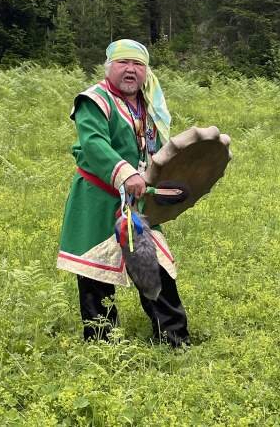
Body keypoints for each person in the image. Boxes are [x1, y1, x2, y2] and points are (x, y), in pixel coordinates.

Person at [56, 39, 190, 347]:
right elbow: (94, 144)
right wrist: (125, 172)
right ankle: (102, 343)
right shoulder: (94, 100)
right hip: (97, 198)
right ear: (109, 67)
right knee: (95, 273)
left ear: (146, 71)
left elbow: (156, 149)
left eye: (138, 64)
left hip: (137, 200)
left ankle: (174, 340)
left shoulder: (148, 103)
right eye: (123, 63)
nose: (131, 70)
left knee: (154, 267)